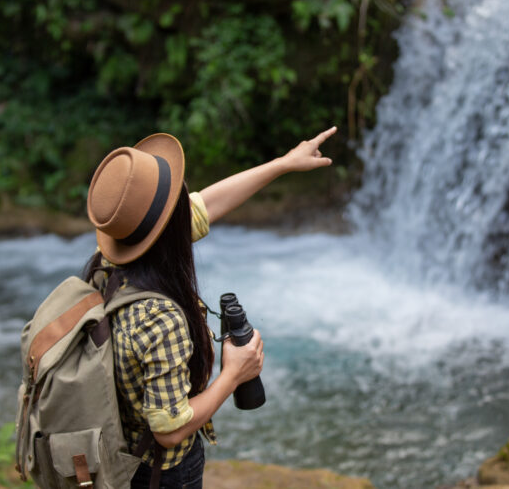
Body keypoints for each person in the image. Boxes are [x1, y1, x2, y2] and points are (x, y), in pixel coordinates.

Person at [81, 127, 336, 488]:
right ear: (170, 230)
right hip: (160, 474)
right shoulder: (159, 318)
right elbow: (169, 429)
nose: (186, 203)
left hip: (118, 452)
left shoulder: (108, 264)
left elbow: (206, 204)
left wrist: (283, 164)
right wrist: (234, 373)